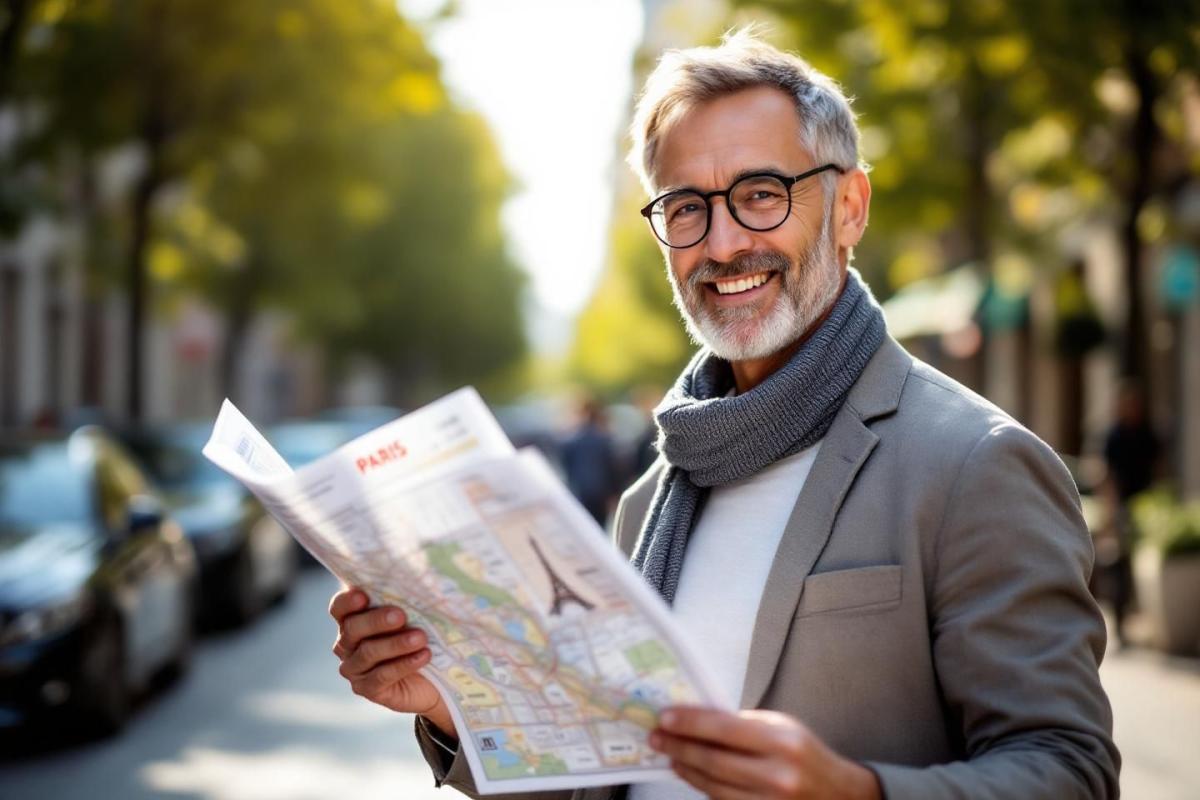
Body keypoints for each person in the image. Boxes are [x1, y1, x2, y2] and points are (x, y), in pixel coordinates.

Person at [329, 30, 1118, 800]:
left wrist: (853, 791)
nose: (724, 242)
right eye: (685, 208)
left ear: (849, 207)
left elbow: (1069, 768)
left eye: (762, 195)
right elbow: (601, 773)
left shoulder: (975, 464)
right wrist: (446, 704)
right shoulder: (650, 498)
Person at [1101, 381, 1161, 645]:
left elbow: (1159, 467)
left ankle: (1145, 619)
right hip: (1123, 506)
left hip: (1147, 506)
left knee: (1142, 562)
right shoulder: (1115, 436)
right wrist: (1111, 510)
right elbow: (1108, 475)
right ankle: (1121, 622)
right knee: (1121, 566)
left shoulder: (1148, 433)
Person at [560, 395, 621, 526]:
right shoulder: (604, 437)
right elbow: (612, 468)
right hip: (602, 491)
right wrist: (615, 493)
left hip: (581, 490)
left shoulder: (571, 440)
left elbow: (567, 468)